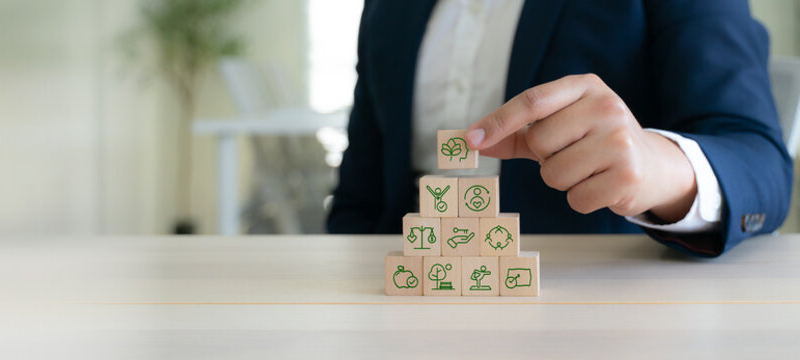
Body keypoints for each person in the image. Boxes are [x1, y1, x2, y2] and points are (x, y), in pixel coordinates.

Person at [326, 0, 793, 257]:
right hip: (401, 300)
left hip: (593, 311)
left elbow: (759, 161)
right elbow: (359, 197)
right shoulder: (387, 9)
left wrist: (660, 167)